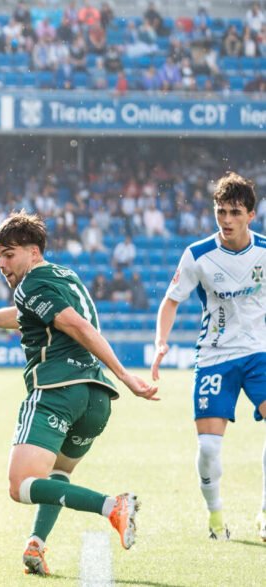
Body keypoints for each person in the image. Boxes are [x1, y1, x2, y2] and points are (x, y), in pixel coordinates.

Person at [0, 212, 158, 576]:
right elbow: (24, 315)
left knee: (20, 486)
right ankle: (36, 544)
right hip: (96, 398)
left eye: (9, 255)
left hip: (57, 388)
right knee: (56, 475)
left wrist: (125, 374)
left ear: (33, 251)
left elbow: (76, 325)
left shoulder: (30, 285)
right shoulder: (63, 276)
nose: (1, 265)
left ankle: (112, 506)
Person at [151, 172, 266, 542]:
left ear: (251, 215)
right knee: (209, 448)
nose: (226, 220)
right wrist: (161, 342)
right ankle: (216, 517)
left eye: (235, 212)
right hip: (215, 356)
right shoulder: (198, 255)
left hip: (259, 353)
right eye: (221, 211)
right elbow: (170, 301)